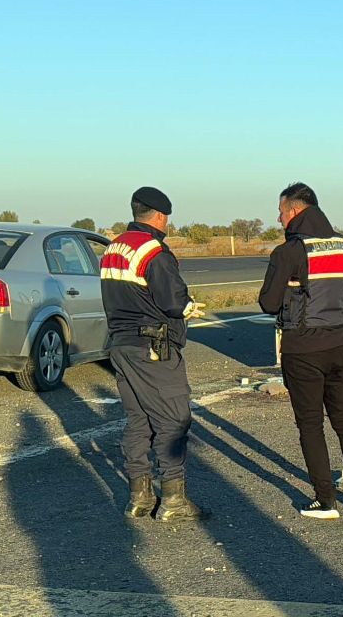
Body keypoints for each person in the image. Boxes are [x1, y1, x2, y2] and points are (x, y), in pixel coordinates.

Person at [259, 182, 343, 519]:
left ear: (294, 211)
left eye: (280, 212)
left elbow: (268, 303)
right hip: (339, 345)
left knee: (310, 424)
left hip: (302, 348)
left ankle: (325, 501)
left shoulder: (289, 252)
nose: (279, 219)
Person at [100, 187, 207, 521]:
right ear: (161, 217)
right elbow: (173, 301)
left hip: (121, 345)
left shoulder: (113, 248)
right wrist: (189, 308)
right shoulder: (153, 250)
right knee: (173, 417)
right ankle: (174, 499)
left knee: (138, 419)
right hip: (153, 347)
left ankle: (139, 497)